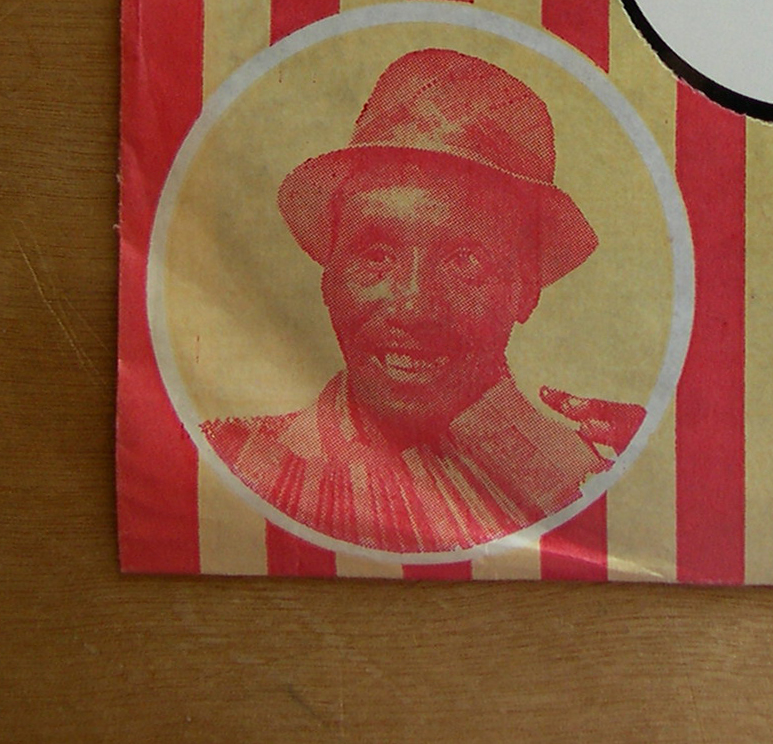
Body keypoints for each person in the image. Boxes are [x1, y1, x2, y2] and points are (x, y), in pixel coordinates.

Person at [203, 48, 645, 553]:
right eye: (376, 255)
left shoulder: (593, 481)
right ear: (330, 275)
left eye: (465, 260)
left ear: (525, 289)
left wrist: (636, 487)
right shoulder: (229, 463)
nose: (412, 306)